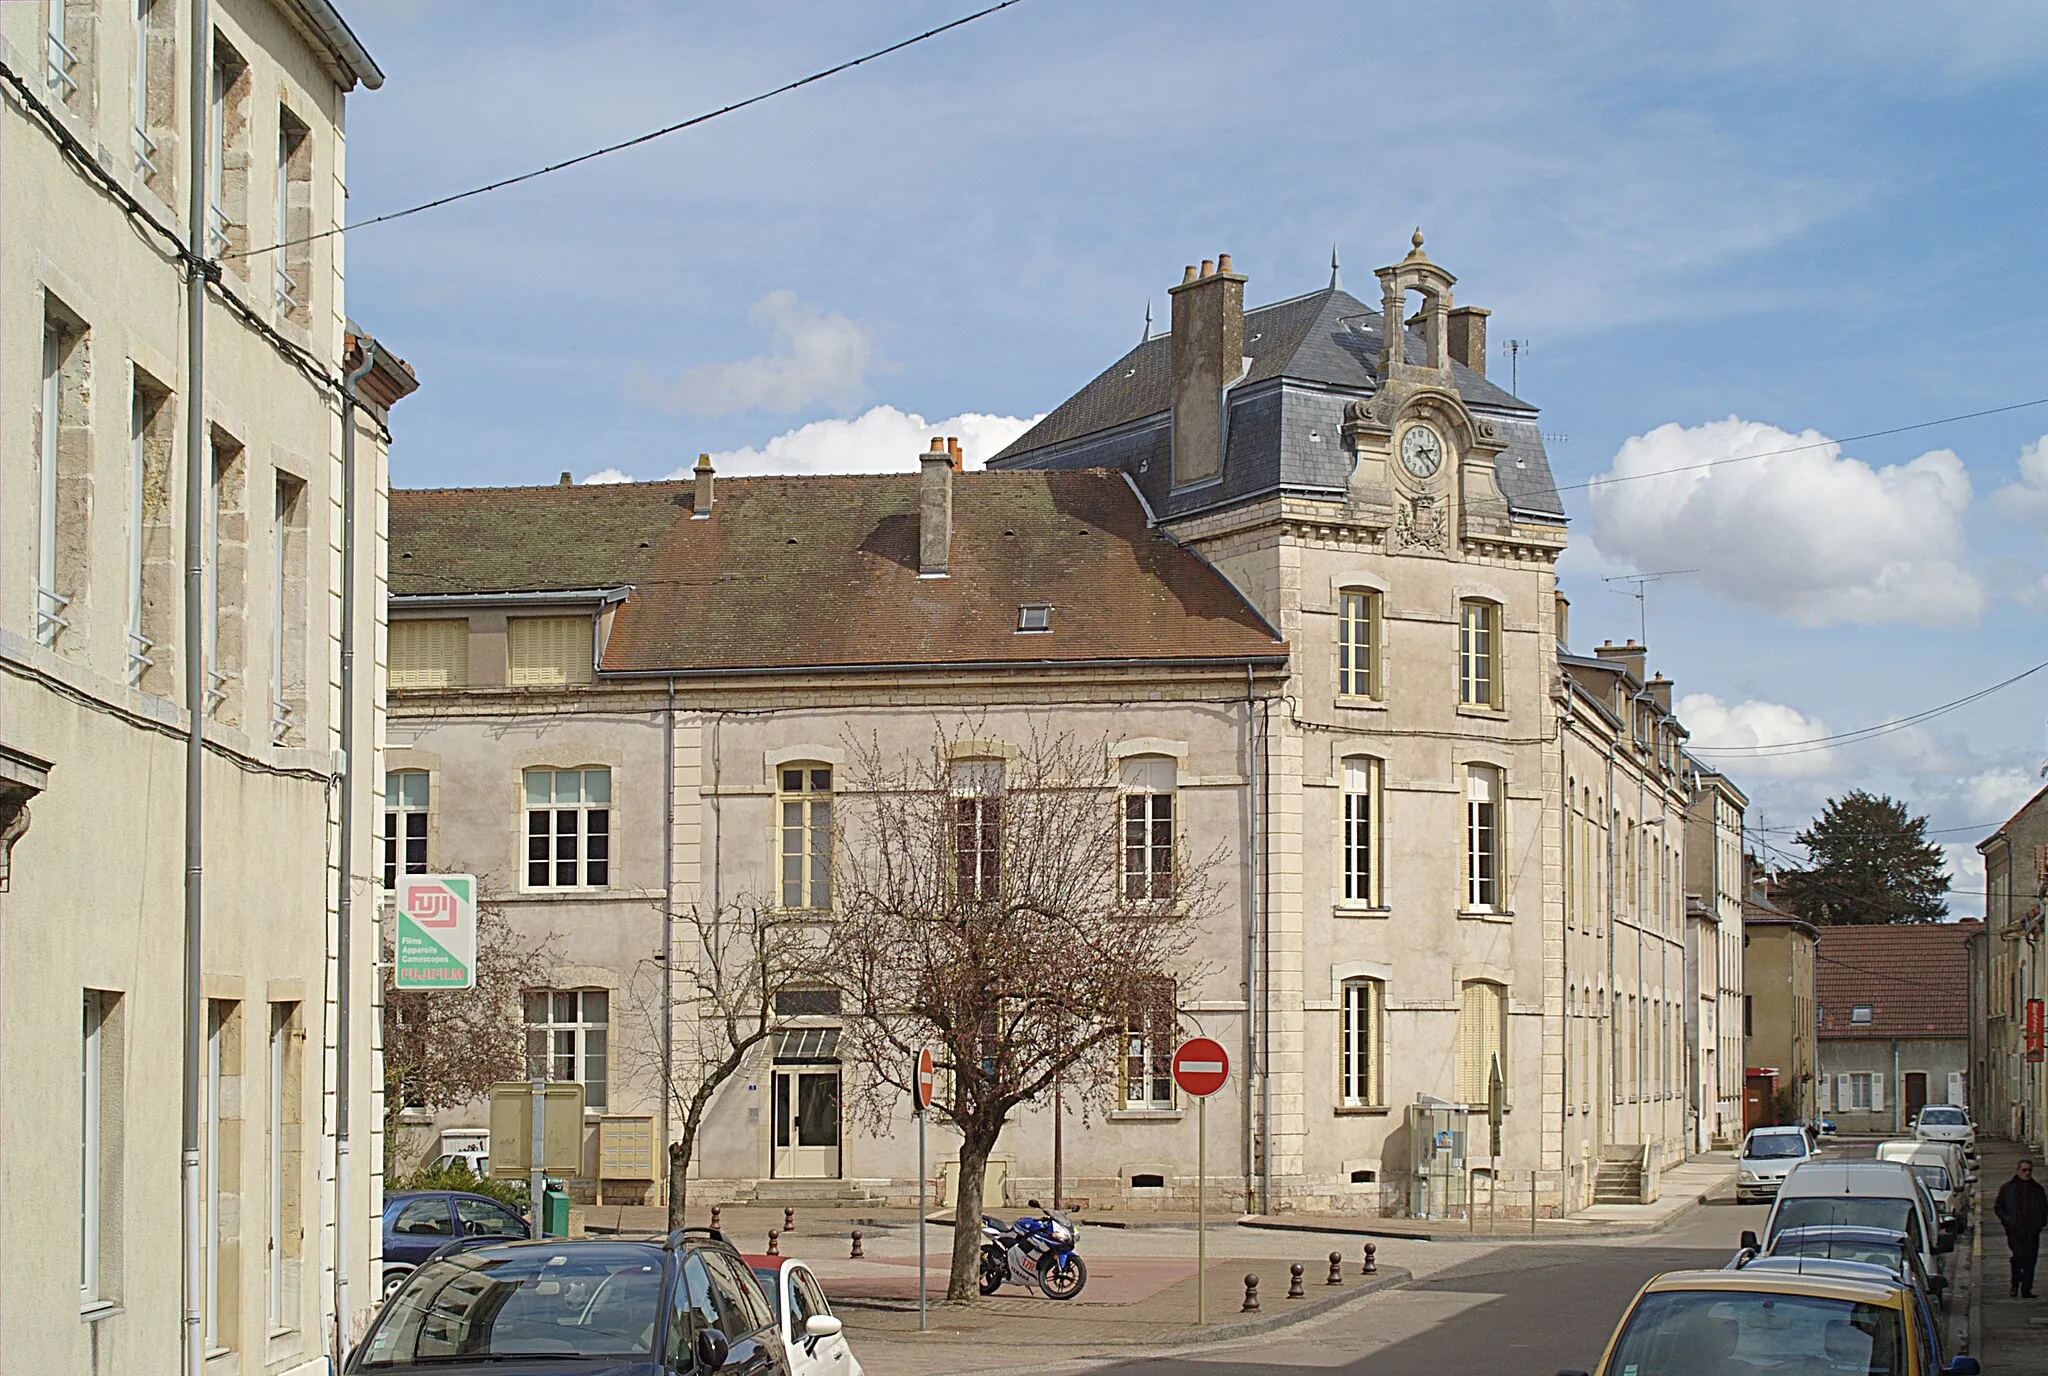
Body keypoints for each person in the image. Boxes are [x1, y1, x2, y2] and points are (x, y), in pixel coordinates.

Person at [1995, 1157, 2048, 1298]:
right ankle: (2015, 1284)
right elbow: (1998, 1207)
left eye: (2030, 1170)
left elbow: (2044, 1208)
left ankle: (2026, 1289)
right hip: (2015, 1230)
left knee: (2031, 1260)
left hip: (2032, 1231)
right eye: (2024, 1170)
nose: (2027, 1173)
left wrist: (2041, 1223)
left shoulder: (2037, 1189)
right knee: (2018, 1257)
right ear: (2018, 1171)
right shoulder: (2008, 1188)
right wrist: (2007, 1221)